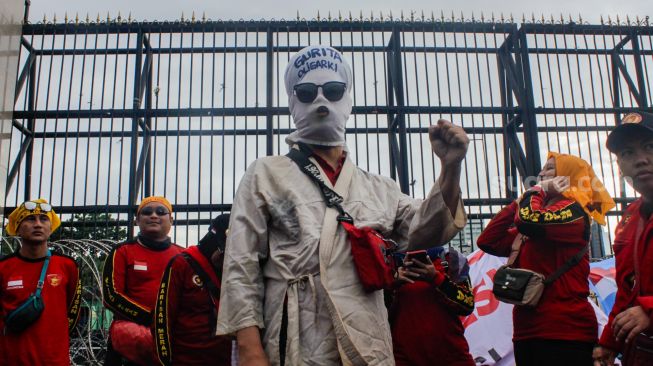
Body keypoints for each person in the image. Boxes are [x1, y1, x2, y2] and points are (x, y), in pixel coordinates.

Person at [216, 44, 469, 365]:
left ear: (348, 99)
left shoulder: (378, 187)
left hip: (367, 338)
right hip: (297, 338)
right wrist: (251, 350)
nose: (321, 102)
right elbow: (241, 265)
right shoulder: (265, 174)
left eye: (333, 90)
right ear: (292, 102)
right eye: (307, 92)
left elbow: (428, 229)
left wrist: (450, 168)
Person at [477, 152, 615, 366]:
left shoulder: (574, 212)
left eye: (550, 168)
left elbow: (530, 220)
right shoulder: (534, 220)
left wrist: (535, 191)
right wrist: (519, 201)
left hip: (565, 331)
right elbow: (488, 240)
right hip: (526, 331)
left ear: (566, 177)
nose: (542, 173)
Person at [594, 111, 653, 366]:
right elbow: (628, 288)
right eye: (627, 154)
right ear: (619, 168)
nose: (640, 160)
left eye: (649, 147)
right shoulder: (629, 218)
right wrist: (609, 342)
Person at [102, 196, 183, 365]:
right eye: (147, 212)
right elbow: (111, 296)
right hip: (130, 341)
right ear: (137, 220)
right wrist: (154, 319)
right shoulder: (122, 252)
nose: (154, 215)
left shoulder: (183, 256)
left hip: (174, 337)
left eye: (161, 212)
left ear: (171, 220)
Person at [0, 199, 82, 365]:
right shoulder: (3, 267)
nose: (38, 224)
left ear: (50, 228)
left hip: (54, 359)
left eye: (43, 219)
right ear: (17, 228)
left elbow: (73, 310)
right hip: (12, 358)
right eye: (30, 219)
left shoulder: (68, 266)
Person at [153, 214, 233, 365]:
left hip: (229, 358)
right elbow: (162, 320)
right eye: (224, 252)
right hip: (188, 359)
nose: (228, 259)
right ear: (213, 242)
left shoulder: (240, 267)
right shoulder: (181, 264)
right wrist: (165, 361)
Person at [390, 247, 475, 366]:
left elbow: (467, 305)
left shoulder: (451, 258)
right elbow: (377, 311)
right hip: (405, 358)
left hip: (453, 355)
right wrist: (392, 282)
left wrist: (436, 278)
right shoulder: (388, 260)